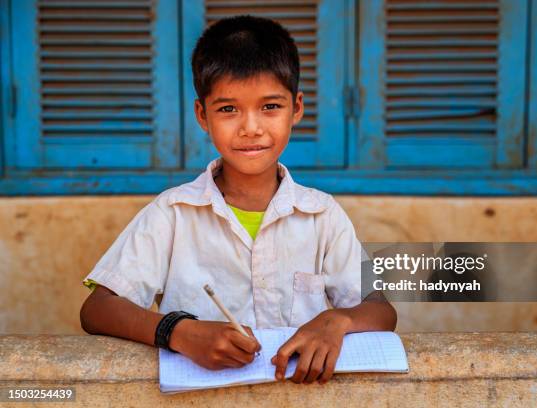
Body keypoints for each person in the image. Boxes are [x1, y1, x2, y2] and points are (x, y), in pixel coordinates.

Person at [80, 15, 397, 385]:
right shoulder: (172, 214)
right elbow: (97, 309)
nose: (250, 127)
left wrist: (337, 320)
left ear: (296, 108)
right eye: (228, 109)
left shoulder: (322, 215)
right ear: (203, 115)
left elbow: (381, 310)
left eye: (270, 107)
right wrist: (177, 332)